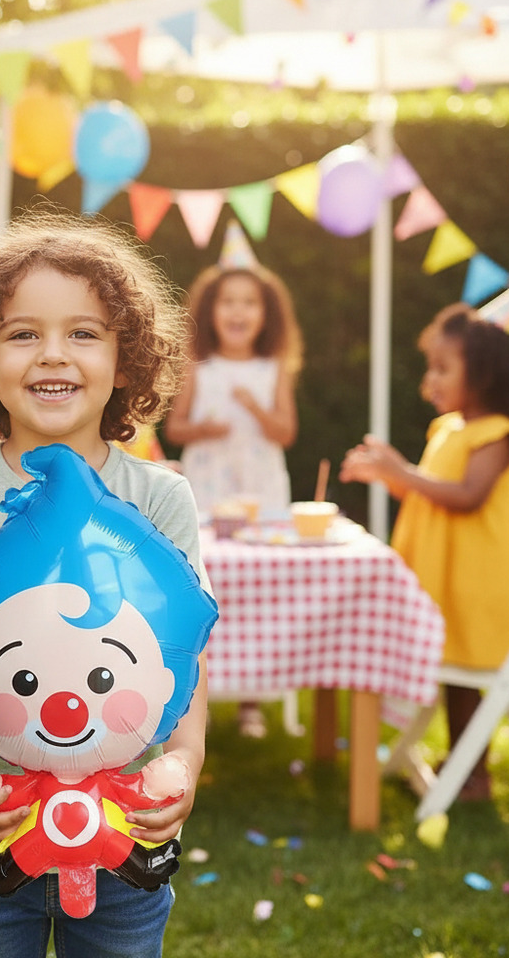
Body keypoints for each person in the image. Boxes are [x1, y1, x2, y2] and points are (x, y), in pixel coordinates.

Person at [0, 211, 213, 958]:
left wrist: (185, 763)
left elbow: (184, 653)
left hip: (124, 824)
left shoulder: (162, 498)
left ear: (124, 358)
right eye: (22, 333)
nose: (53, 354)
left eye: (83, 332)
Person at [340, 303, 509, 802]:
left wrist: (401, 471)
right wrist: (388, 475)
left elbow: (467, 496)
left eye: (443, 368)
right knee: (459, 677)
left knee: (468, 675)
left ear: (486, 376)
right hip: (444, 574)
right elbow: (430, 490)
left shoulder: (495, 435)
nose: (432, 378)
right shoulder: (447, 429)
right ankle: (462, 763)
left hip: (478, 580)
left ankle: (473, 772)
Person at [164, 263, 303, 738]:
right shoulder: (197, 366)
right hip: (207, 488)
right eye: (228, 301)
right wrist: (203, 429)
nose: (238, 311)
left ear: (267, 315)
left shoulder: (274, 368)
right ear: (210, 311)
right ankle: (193, 690)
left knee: (257, 590)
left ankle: (251, 702)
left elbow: (286, 431)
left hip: (260, 491)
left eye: (249, 302)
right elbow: (174, 428)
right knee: (203, 582)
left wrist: (254, 406)